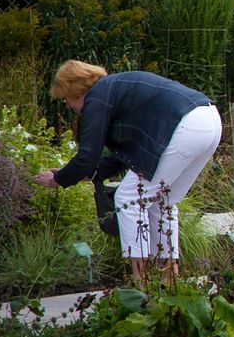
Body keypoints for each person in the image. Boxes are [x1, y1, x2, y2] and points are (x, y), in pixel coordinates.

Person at [33, 60, 221, 282]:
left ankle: (142, 283)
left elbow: (87, 156)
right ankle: (169, 282)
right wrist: (85, 174)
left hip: (185, 127)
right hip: (209, 120)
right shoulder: (115, 89)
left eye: (65, 97)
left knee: (129, 198)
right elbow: (120, 159)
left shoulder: (97, 96)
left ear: (75, 88)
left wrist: (58, 179)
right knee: (162, 201)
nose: (66, 104)